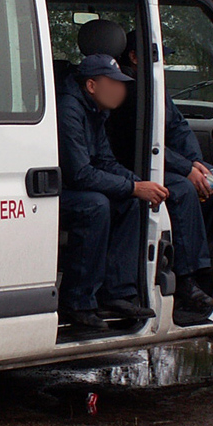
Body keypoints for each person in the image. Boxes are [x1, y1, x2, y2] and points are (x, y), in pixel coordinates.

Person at [56, 53, 165, 330]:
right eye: (113, 82)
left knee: (130, 202)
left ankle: (116, 293)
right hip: (53, 192)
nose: (121, 89)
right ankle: (77, 302)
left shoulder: (95, 110)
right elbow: (79, 173)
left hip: (75, 186)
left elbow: (105, 161)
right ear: (91, 85)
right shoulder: (69, 109)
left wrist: (140, 185)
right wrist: (132, 187)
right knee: (96, 205)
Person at [111, 28, 213, 315]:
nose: (164, 64)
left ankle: (200, 266)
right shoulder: (124, 88)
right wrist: (185, 170)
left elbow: (177, 126)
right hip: (128, 163)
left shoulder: (154, 84)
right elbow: (146, 140)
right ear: (134, 55)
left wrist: (198, 165)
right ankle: (186, 281)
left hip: (155, 159)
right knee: (181, 190)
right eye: (159, 57)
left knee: (206, 185)